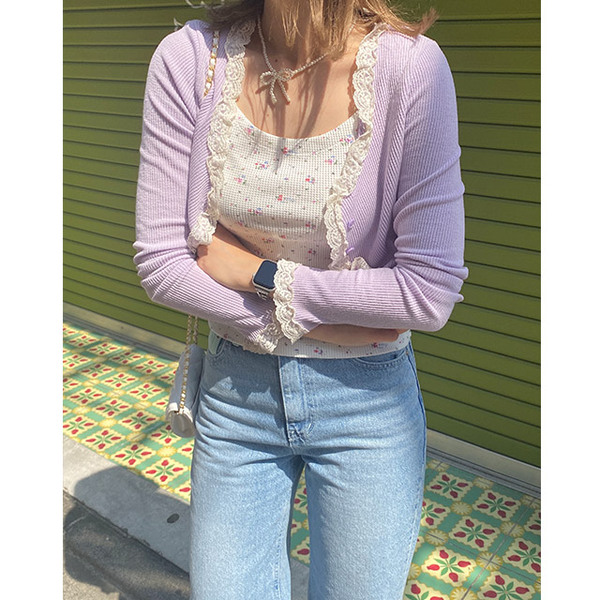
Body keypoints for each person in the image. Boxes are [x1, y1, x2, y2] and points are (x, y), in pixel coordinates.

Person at [134, 0, 468, 598]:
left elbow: (426, 291)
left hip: (368, 406)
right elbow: (163, 263)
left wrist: (258, 273)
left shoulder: (410, 69)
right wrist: (321, 320)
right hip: (236, 397)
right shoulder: (190, 60)